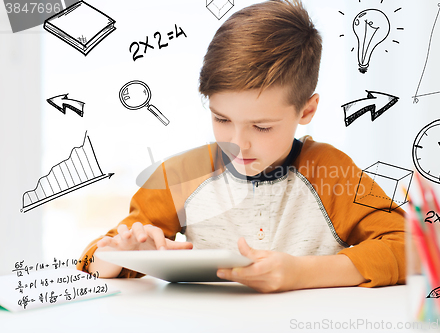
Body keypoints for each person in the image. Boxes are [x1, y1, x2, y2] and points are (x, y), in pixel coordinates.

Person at [78, 0, 405, 293]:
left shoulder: (332, 173)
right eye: (221, 119)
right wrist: (121, 258)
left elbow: (411, 246)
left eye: (261, 126)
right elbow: (96, 256)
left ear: (306, 110)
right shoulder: (179, 176)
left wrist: (302, 273)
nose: (236, 143)